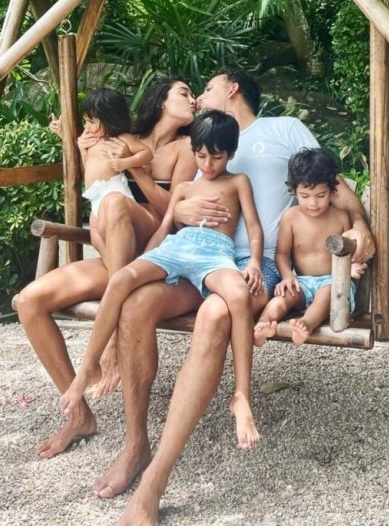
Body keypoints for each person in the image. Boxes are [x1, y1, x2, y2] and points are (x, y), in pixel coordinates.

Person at [91, 68, 376, 523]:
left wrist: (359, 225)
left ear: (233, 89)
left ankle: (155, 480)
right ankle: (135, 444)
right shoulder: (204, 141)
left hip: (256, 265)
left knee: (214, 317)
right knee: (137, 304)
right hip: (198, 254)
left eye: (207, 88)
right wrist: (182, 208)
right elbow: (175, 203)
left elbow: (332, 183)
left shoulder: (283, 129)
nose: (200, 97)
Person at [15, 76, 197, 458]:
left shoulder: (185, 148)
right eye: (185, 93)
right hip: (114, 255)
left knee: (114, 204)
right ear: (161, 100)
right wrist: (78, 143)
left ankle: (112, 335)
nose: (194, 99)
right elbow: (94, 184)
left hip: (154, 253)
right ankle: (79, 416)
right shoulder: (120, 135)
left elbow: (175, 214)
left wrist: (137, 172)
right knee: (29, 302)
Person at [60, 110, 264, 450]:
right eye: (201, 155)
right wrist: (140, 264)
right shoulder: (184, 188)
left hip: (215, 252)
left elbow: (254, 227)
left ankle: (241, 396)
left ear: (231, 153)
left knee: (239, 295)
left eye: (216, 156)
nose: (208, 164)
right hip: (177, 247)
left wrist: (254, 262)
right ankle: (87, 369)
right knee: (121, 279)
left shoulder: (237, 181)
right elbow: (164, 230)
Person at [254, 148, 369, 347]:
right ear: (294, 191)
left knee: (325, 293)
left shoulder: (341, 217)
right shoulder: (290, 217)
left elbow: (349, 251)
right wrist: (287, 277)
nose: (313, 203)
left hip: (334, 282)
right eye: (305, 196)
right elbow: (282, 254)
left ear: (333, 192)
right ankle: (263, 324)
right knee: (284, 296)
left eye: (320, 195)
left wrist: (350, 268)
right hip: (302, 282)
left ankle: (305, 324)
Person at [64, 87, 154, 256]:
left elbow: (146, 153)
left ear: (110, 119)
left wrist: (125, 163)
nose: (87, 127)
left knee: (115, 231)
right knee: (98, 240)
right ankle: (115, 268)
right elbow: (88, 168)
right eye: (85, 121)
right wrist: (82, 151)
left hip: (114, 193)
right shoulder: (92, 140)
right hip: (96, 199)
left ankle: (122, 266)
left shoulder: (121, 138)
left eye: (91, 122)